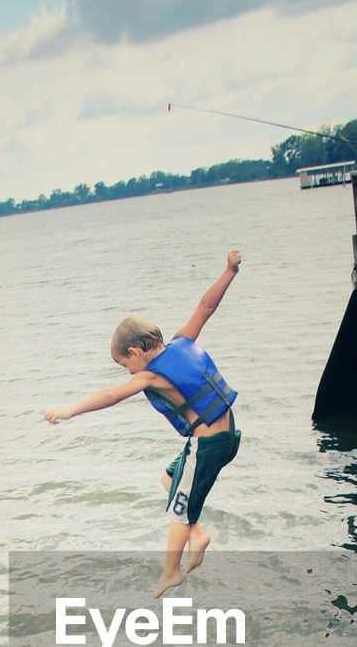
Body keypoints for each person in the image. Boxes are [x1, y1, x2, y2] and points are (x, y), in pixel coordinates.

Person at [45, 250, 242, 598]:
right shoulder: (184, 340)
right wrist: (229, 272)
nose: (127, 371)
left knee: (178, 513)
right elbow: (206, 306)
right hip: (227, 436)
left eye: (125, 364)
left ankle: (170, 572)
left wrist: (69, 410)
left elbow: (111, 395)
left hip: (207, 445)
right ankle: (197, 534)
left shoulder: (151, 376)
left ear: (135, 351)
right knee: (169, 478)